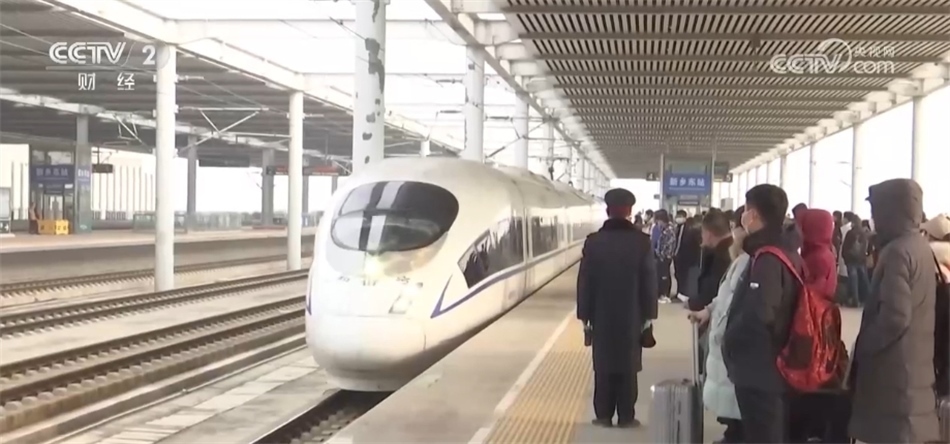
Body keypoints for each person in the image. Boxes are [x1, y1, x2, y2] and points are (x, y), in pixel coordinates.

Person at [849, 179, 940, 443]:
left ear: (891, 211)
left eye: (876, 210)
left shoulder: (897, 252)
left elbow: (895, 317)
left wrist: (864, 346)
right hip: (914, 368)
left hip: (893, 372)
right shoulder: (920, 247)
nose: (873, 218)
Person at [722, 184, 803, 443]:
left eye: (746, 210)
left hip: (761, 368)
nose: (743, 217)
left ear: (754, 214)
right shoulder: (787, 250)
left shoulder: (768, 258)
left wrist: (732, 341)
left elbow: (760, 313)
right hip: (773, 364)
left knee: (763, 435)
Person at [577, 188, 659, 428]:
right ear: (630, 212)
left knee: (603, 365)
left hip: (601, 315)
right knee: (628, 365)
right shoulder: (641, 242)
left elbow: (585, 281)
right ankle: (626, 416)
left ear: (607, 211)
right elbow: (649, 281)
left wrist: (585, 316)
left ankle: (603, 415)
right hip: (632, 315)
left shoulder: (593, 242)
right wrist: (649, 316)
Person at [689, 211, 748, 443]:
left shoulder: (743, 262)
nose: (735, 233)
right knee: (726, 390)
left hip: (728, 338)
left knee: (731, 390)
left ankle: (735, 433)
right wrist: (708, 310)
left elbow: (731, 299)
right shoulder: (738, 261)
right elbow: (723, 295)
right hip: (722, 334)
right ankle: (733, 431)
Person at [842, 212, 871, 306]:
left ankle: (855, 300)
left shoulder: (850, 233)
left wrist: (845, 258)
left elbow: (845, 247)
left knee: (853, 281)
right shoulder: (864, 233)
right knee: (864, 281)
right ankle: (868, 300)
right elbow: (868, 248)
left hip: (851, 259)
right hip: (861, 260)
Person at [675, 214, 703, 303]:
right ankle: (680, 293)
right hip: (681, 257)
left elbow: (697, 246)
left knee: (688, 277)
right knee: (680, 276)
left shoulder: (694, 231)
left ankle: (685, 294)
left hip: (690, 258)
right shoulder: (679, 228)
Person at [652, 210, 677, 303]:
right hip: (660, 256)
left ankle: (665, 294)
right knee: (661, 275)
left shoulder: (669, 230)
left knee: (664, 275)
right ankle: (661, 293)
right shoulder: (663, 229)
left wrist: (663, 255)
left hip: (665, 256)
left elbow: (669, 245)